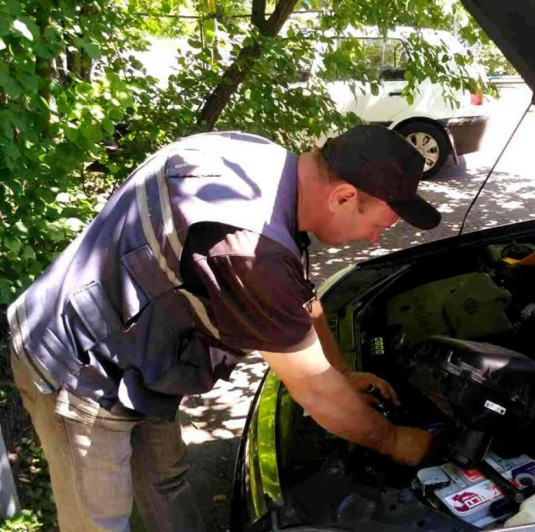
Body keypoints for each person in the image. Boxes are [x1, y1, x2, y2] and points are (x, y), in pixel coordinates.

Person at [8, 125, 441, 531]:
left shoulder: (260, 163)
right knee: (100, 519)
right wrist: (395, 440)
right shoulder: (251, 247)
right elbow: (316, 393)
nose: (373, 240)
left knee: (166, 480)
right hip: (79, 362)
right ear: (344, 197)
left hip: (138, 356)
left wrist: (343, 372)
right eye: (378, 226)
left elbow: (301, 301)